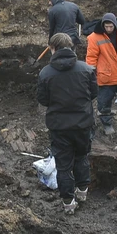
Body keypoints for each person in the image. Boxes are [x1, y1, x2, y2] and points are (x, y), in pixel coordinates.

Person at [37, 32, 98, 214]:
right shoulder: (86, 69)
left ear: (53, 49)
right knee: (81, 156)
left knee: (63, 165)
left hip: (59, 126)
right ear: (71, 47)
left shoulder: (46, 73)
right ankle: (82, 190)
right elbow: (93, 93)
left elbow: (43, 99)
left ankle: (68, 202)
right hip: (82, 123)